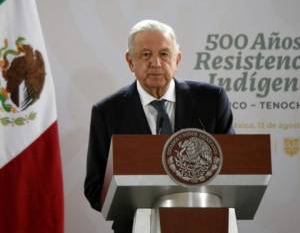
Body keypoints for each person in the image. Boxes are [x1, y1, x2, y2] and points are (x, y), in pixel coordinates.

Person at [84, 19, 234, 232]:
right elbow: (95, 189)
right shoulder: (107, 112)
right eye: (146, 55)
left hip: (203, 223)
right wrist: (142, 205)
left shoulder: (211, 100)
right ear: (130, 61)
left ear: (177, 59)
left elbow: (233, 169)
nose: (156, 63)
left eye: (164, 54)